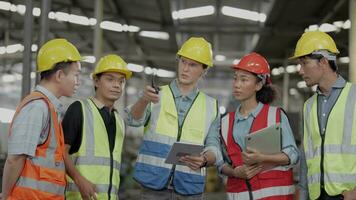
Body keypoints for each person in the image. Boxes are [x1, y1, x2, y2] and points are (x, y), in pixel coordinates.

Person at [125, 37, 221, 199]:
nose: (185, 69)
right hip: (153, 183)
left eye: (193, 65)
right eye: (183, 62)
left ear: (204, 71)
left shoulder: (212, 106)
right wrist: (143, 100)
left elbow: (214, 147)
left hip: (189, 185)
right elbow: (132, 120)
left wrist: (205, 159)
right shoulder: (156, 94)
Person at [0, 38, 82, 200]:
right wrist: (6, 196)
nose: (78, 82)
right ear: (59, 75)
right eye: (76, 75)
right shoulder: (38, 108)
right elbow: (15, 159)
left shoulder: (50, 109)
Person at [219, 52, 299, 200]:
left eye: (244, 79)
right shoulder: (225, 123)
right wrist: (234, 172)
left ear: (259, 85)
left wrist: (263, 157)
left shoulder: (275, 116)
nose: (237, 84)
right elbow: (220, 163)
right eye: (235, 78)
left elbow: (293, 155)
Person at [291, 31, 356, 200]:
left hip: (347, 195)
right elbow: (306, 155)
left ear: (324, 62)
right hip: (316, 196)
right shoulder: (308, 106)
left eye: (304, 63)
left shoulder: (354, 97)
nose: (300, 70)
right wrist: (303, 193)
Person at [62, 54, 133, 200]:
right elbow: (60, 152)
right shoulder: (79, 109)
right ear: (96, 81)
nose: (117, 85)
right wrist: (79, 180)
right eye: (110, 79)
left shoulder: (119, 121)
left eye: (121, 81)